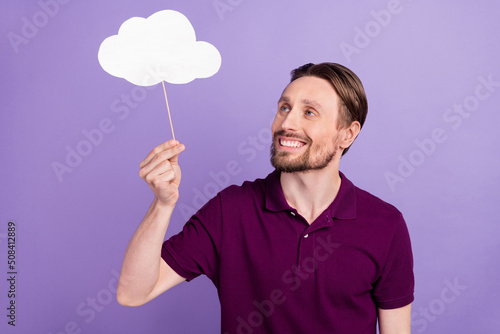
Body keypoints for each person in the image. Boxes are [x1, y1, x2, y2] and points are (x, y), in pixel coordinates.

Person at [116, 62, 414, 334]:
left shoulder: (385, 225)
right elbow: (133, 292)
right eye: (284, 108)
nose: (287, 123)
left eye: (309, 112)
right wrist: (163, 204)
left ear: (347, 135)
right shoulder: (230, 210)